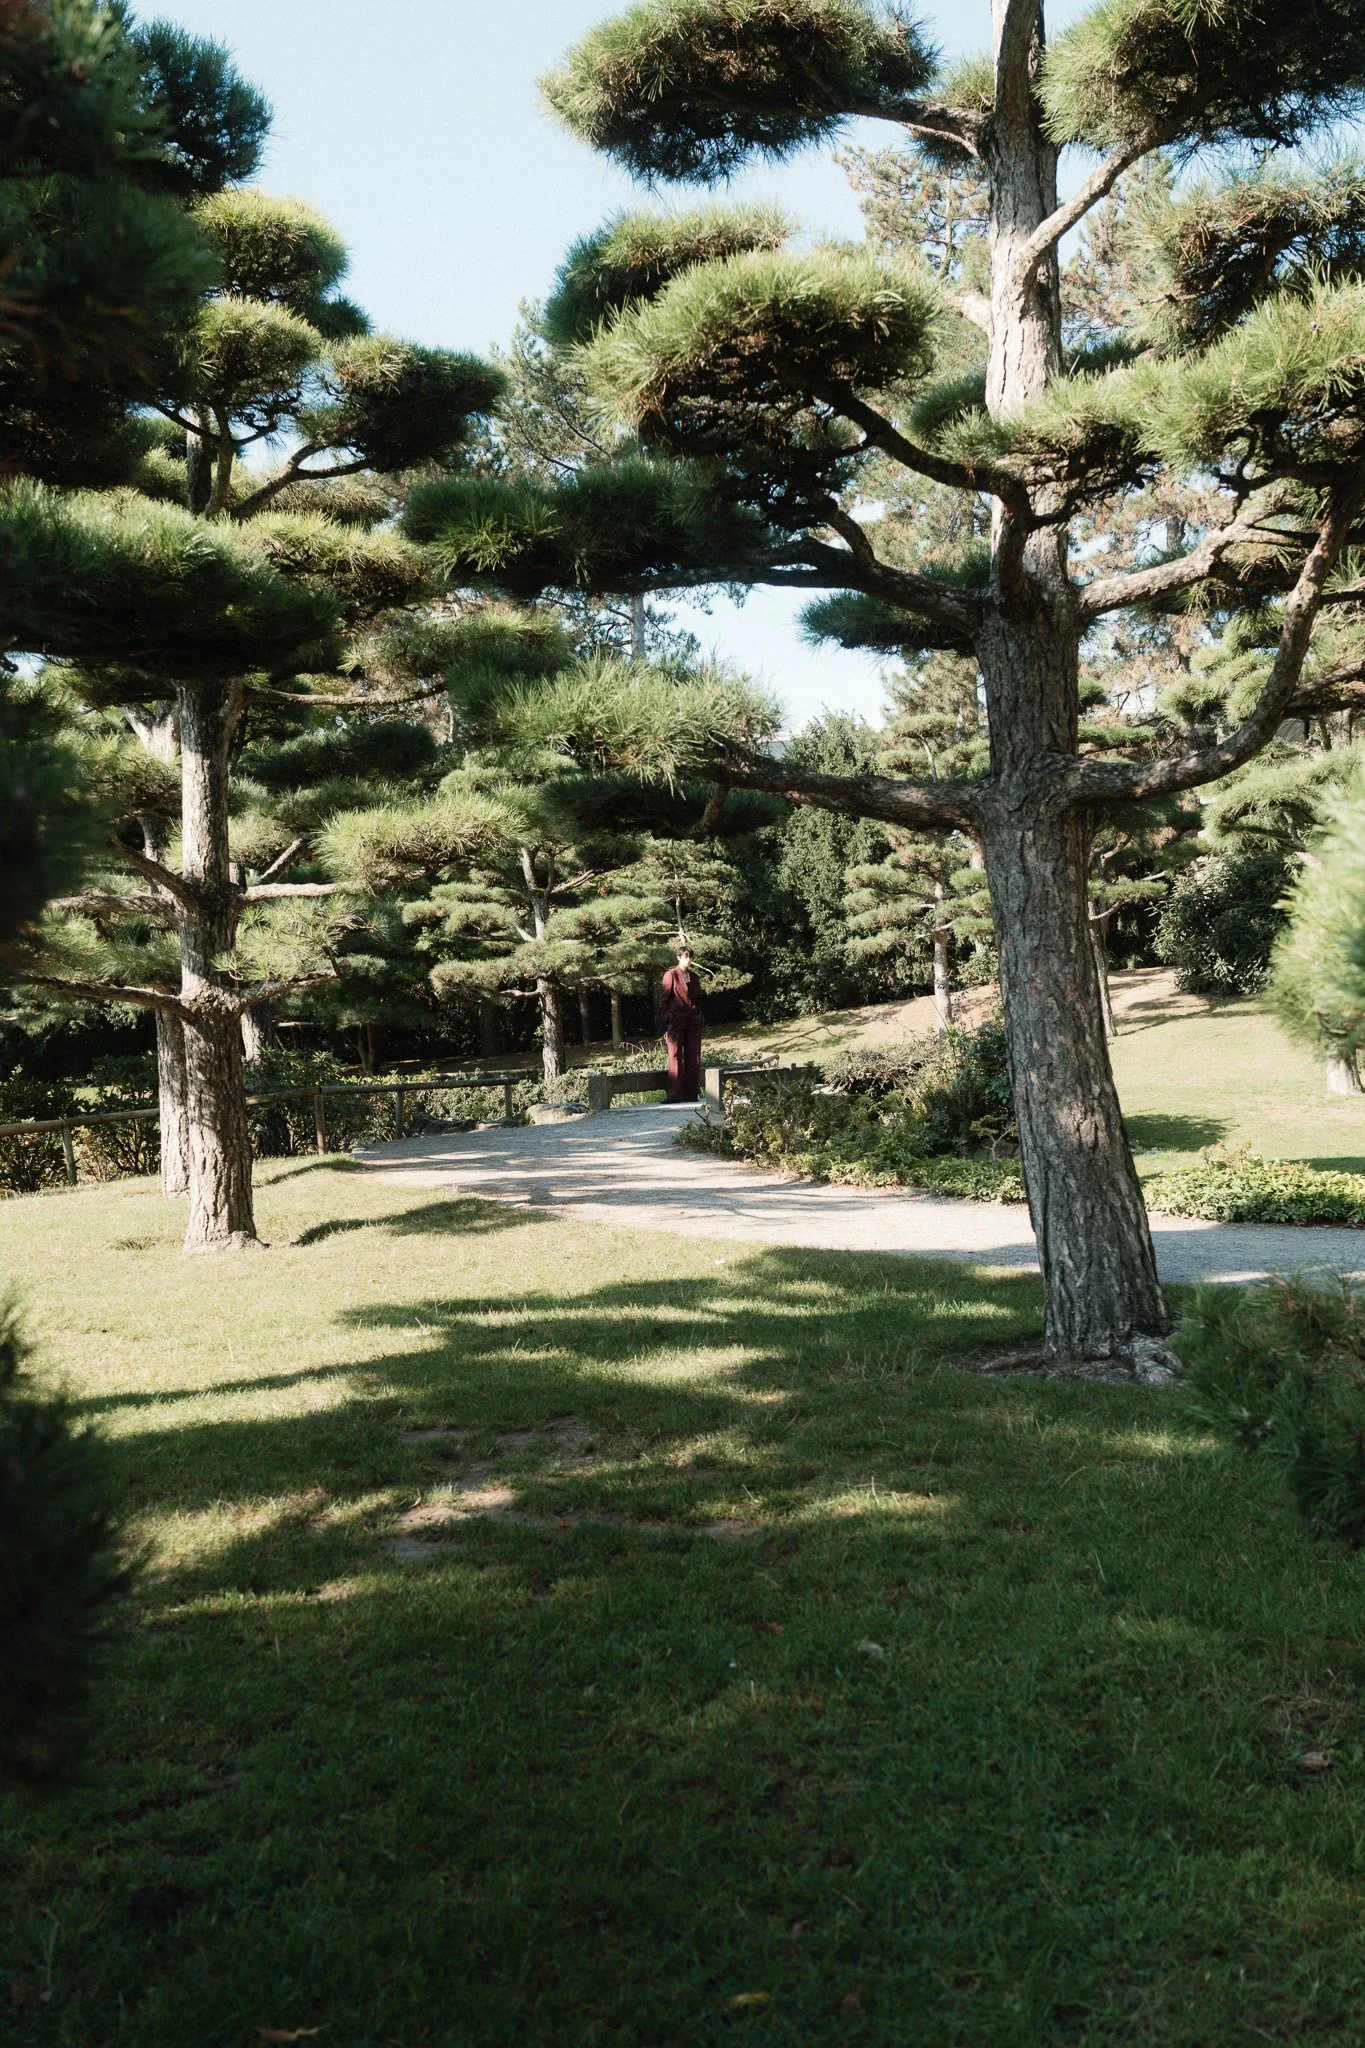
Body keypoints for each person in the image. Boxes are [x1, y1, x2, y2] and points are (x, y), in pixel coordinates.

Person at [660, 944, 704, 1103]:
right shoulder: (670, 975)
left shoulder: (695, 977)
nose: (688, 960)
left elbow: (698, 1000)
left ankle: (691, 1094)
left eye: (690, 957)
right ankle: (674, 1095)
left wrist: (699, 1016)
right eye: (685, 956)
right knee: (675, 1056)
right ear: (679, 957)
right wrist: (669, 1019)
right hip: (676, 1022)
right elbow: (664, 1001)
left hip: (693, 1022)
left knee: (694, 1057)